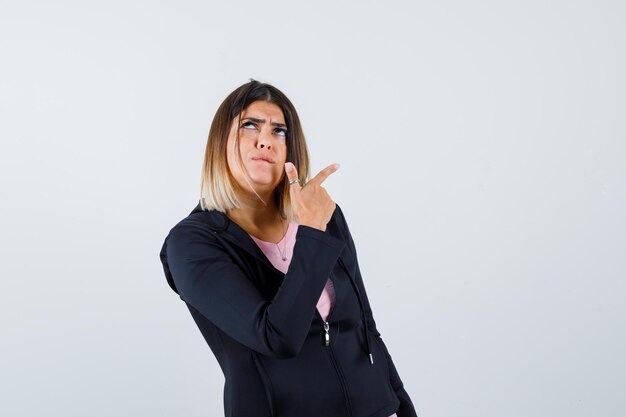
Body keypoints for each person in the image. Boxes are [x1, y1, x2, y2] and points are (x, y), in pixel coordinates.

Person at [159, 80, 418, 417]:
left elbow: (365, 327)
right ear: (219, 143)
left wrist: (403, 406)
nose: (265, 139)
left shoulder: (324, 216)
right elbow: (276, 337)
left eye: (279, 131)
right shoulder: (192, 243)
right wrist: (311, 234)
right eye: (249, 125)